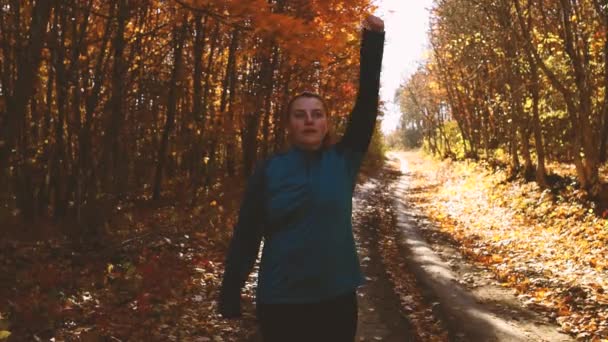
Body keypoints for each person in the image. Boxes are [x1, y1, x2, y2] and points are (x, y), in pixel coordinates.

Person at [218, 14, 385, 342]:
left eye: (317, 114)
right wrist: (231, 289)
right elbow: (247, 235)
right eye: (300, 115)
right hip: (281, 301)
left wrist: (373, 42)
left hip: (336, 297)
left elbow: (366, 105)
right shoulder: (268, 170)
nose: (309, 120)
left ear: (325, 124)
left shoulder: (343, 160)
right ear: (289, 125)